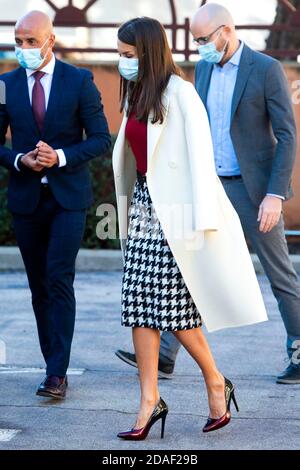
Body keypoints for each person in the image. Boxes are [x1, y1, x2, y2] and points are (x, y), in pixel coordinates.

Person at [116, 3, 300, 385]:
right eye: (196, 40)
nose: (200, 46)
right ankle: (165, 354)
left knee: (279, 274)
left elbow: (287, 136)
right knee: (187, 266)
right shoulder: (201, 70)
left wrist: (275, 195)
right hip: (207, 188)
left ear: (227, 31)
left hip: (253, 192)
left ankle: (298, 348)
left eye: (204, 39)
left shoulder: (266, 69)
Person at [113, 16, 267, 440]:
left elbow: (201, 164)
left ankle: (215, 380)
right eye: (119, 55)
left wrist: (201, 226)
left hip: (179, 212)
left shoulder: (180, 94)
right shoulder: (135, 93)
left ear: (146, 52)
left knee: (171, 307)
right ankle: (149, 399)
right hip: (145, 206)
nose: (122, 62)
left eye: (127, 55)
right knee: (138, 302)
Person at [0, 11, 111, 399]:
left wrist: (59, 156)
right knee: (38, 286)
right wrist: (19, 159)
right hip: (26, 199)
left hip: (68, 199)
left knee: (59, 278)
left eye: (31, 41)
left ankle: (56, 374)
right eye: (19, 41)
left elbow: (101, 139)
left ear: (50, 40)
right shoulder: (6, 84)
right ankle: (53, 363)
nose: (24, 49)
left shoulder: (79, 81)